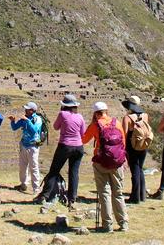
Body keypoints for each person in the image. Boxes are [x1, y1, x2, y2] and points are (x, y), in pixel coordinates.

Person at [82, 102, 128, 233]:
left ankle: (107, 225)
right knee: (118, 193)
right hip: (117, 162)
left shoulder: (95, 125)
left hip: (101, 162)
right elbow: (123, 143)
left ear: (95, 113)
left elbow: (84, 140)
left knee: (104, 193)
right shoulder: (116, 123)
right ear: (106, 111)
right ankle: (123, 223)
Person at [34, 94, 85, 211]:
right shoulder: (80, 116)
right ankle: (72, 199)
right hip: (78, 146)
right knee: (74, 172)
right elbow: (83, 133)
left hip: (65, 145)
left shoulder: (62, 114)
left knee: (54, 171)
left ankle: (45, 196)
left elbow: (56, 127)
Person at [9, 102, 42, 194]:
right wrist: (13, 121)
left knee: (34, 167)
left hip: (33, 146)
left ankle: (36, 188)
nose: (25, 110)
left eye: (27, 109)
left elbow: (34, 131)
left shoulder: (37, 119)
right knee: (22, 166)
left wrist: (27, 120)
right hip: (24, 145)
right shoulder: (24, 119)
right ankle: (23, 184)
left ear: (32, 110)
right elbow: (15, 127)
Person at [122, 96, 149, 204]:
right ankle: (142, 195)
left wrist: (122, 148)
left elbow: (124, 133)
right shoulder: (145, 115)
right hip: (143, 144)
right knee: (140, 168)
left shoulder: (127, 118)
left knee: (135, 170)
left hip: (131, 146)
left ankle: (135, 197)